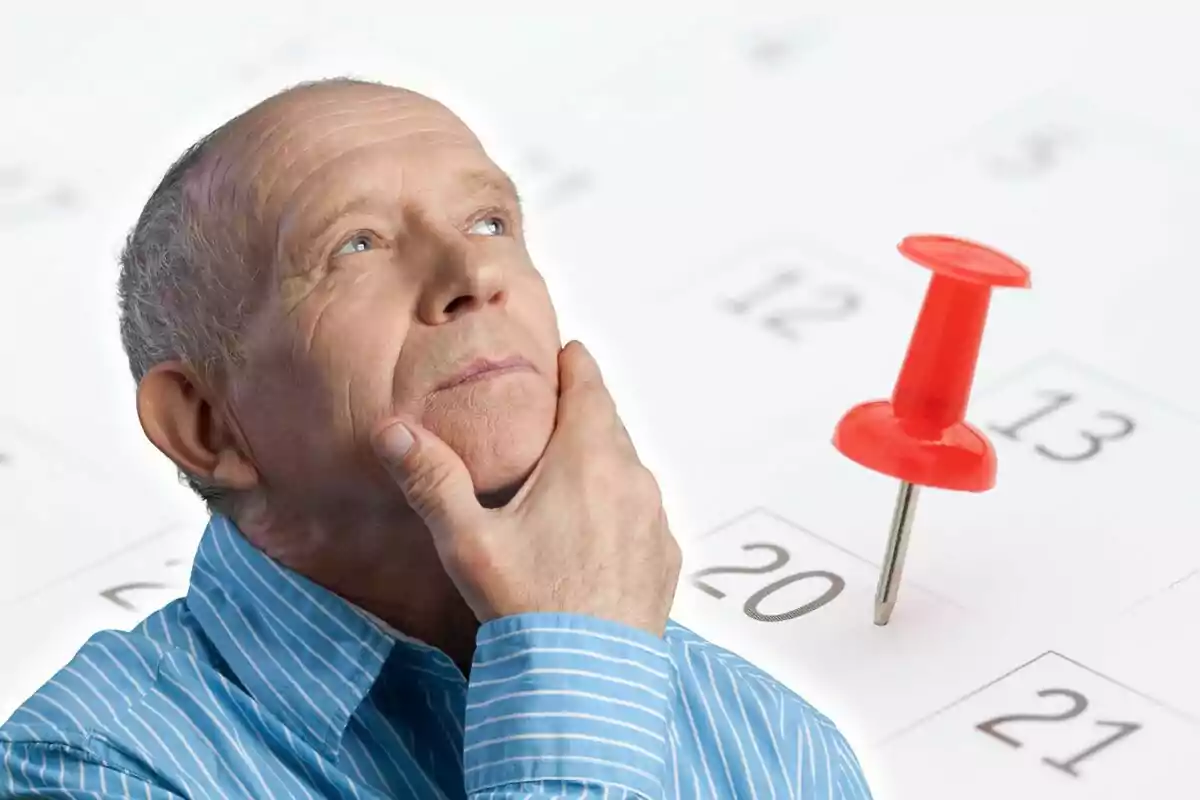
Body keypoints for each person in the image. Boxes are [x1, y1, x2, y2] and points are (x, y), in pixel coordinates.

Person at [0, 77, 873, 799]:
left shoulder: (773, 741)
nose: (473, 275)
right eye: (356, 245)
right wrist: (575, 665)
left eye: (490, 223)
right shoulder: (86, 766)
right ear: (205, 423)